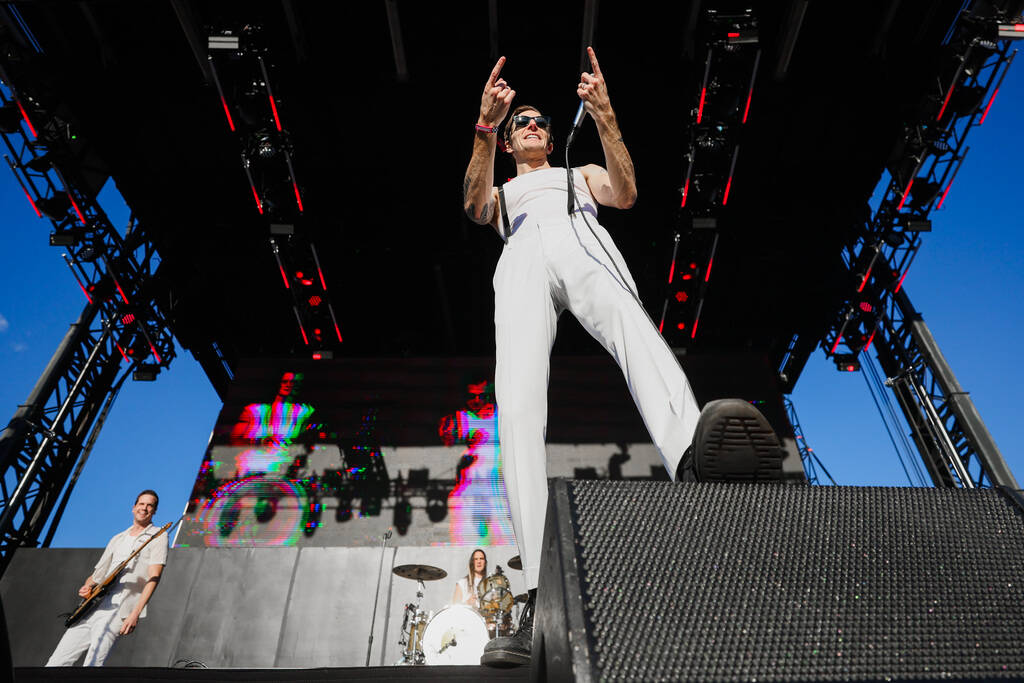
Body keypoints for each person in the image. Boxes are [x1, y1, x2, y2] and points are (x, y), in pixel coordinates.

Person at [462, 48, 783, 666]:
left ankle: (696, 454)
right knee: (518, 406)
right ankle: (534, 596)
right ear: (507, 141)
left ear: (550, 139)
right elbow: (475, 207)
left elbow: (629, 193)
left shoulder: (578, 174)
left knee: (634, 329)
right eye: (519, 123)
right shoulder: (502, 187)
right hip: (522, 252)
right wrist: (482, 125)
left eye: (539, 122)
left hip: (577, 233)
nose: (530, 126)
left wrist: (605, 116)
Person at [46, 490, 168, 667]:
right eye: (141, 504)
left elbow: (154, 577)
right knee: (55, 664)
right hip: (91, 608)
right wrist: (86, 587)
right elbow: (96, 575)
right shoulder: (118, 538)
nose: (145, 508)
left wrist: (135, 613)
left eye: (150, 505)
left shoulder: (158, 536)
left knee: (93, 665)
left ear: (154, 511)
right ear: (134, 508)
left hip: (118, 610)